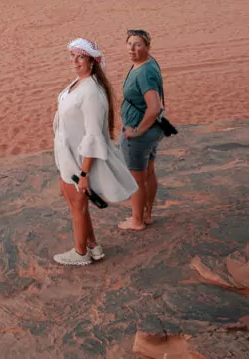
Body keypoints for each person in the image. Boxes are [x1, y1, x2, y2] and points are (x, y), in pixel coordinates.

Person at [52, 38, 137, 266]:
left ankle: (80, 254)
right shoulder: (79, 83)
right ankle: (92, 246)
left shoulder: (91, 92)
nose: (75, 61)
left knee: (77, 207)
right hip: (66, 155)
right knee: (74, 203)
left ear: (92, 62)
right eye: (73, 56)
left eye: (81, 57)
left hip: (78, 160)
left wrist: (84, 173)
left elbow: (93, 136)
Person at [119, 29, 166, 231]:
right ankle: (146, 214)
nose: (132, 48)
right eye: (129, 44)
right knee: (148, 172)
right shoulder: (147, 63)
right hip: (153, 130)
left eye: (138, 44)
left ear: (147, 47)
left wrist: (137, 131)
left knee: (136, 178)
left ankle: (137, 220)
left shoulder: (144, 73)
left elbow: (154, 107)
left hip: (141, 134)